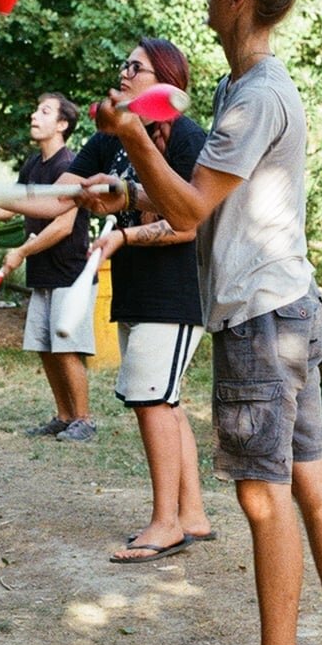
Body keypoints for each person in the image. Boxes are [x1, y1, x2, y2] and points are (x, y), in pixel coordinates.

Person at [86, 0, 322, 645]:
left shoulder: (254, 98)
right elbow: (199, 198)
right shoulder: (241, 87)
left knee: (261, 492)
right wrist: (124, 188)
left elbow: (189, 210)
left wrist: (134, 136)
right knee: (308, 476)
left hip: (260, 317)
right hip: (288, 305)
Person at [64, 40, 212, 562]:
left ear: (166, 79)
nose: (123, 72)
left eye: (136, 66)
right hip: (132, 290)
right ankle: (191, 513)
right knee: (164, 401)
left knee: (151, 400)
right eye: (122, 63)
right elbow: (69, 177)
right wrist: (77, 190)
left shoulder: (189, 138)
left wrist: (123, 237)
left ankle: (165, 523)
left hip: (173, 292)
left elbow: (188, 225)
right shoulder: (115, 136)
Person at [0, 94, 96, 442]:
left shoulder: (70, 166)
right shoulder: (33, 165)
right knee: (45, 346)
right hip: (44, 269)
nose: (34, 115)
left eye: (44, 111)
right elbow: (10, 208)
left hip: (70, 271)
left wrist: (21, 252)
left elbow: (62, 225)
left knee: (66, 347)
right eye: (35, 109)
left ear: (62, 124)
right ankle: (64, 416)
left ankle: (84, 419)